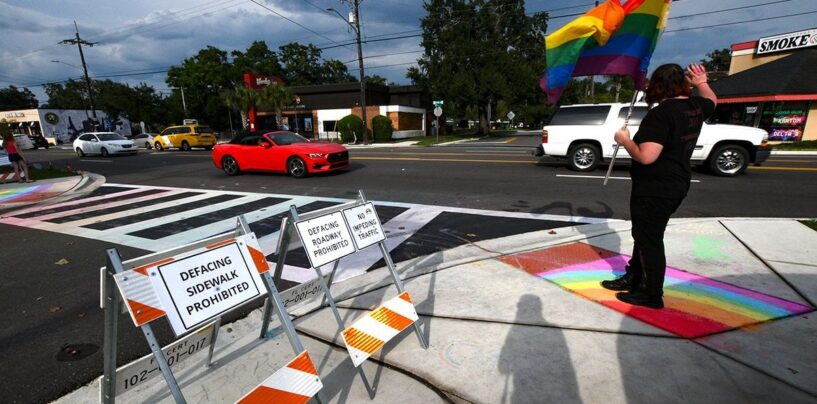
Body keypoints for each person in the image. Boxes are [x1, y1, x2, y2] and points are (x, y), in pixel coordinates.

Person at [600, 63, 717, 309]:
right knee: (644, 236)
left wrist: (625, 141)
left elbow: (646, 156)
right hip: (676, 183)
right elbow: (712, 100)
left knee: (649, 239)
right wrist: (702, 82)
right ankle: (635, 277)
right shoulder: (694, 107)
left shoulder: (662, 114)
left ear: (659, 86)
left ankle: (650, 294)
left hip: (655, 187)